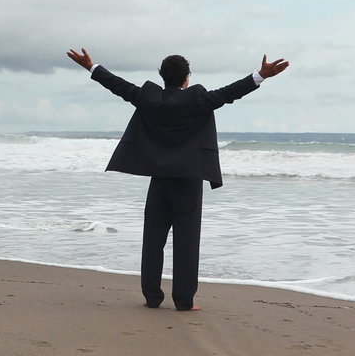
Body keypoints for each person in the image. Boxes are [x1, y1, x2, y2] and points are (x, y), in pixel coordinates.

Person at [67, 48, 289, 311]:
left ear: (162, 77)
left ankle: (152, 297)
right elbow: (231, 92)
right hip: (188, 180)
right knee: (187, 241)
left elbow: (119, 86)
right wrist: (260, 75)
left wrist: (91, 67)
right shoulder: (198, 100)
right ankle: (184, 301)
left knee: (153, 239)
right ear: (187, 78)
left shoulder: (148, 98)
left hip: (160, 179)